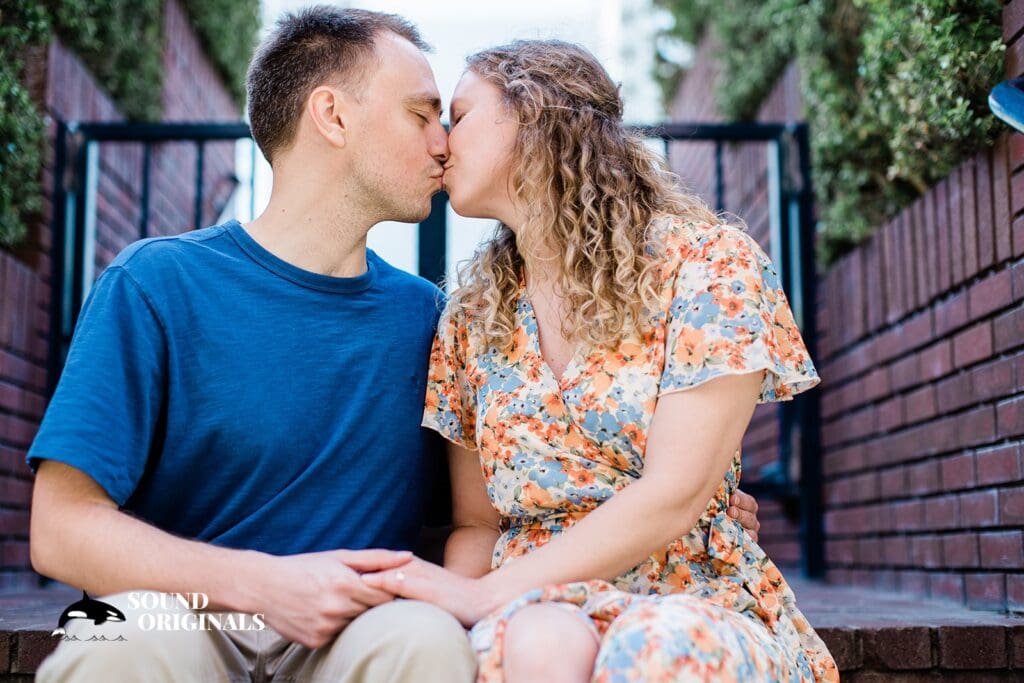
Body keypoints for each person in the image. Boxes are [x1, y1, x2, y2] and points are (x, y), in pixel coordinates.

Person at [25, 7, 762, 682]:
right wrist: (263, 585)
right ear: (333, 115)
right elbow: (59, 530)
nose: (444, 143)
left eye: (451, 118)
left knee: (424, 641)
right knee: (125, 645)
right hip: (189, 609)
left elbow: (488, 513)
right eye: (422, 114)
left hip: (361, 623)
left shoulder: (434, 319)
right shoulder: (157, 284)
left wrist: (695, 499)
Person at [360, 40, 840, 682]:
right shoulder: (471, 317)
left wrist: (482, 595)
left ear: (534, 117)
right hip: (528, 604)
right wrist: (458, 615)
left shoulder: (706, 265)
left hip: (691, 595)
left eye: (461, 115)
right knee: (540, 643)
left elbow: (675, 493)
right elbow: (478, 523)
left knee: (659, 646)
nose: (442, 143)